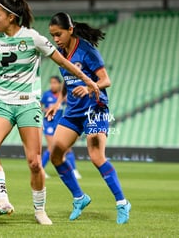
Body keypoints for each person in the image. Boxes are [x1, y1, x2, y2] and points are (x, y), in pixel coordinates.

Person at [0, 0, 99, 225]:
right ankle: (3, 200)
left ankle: (39, 210)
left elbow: (63, 62)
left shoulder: (33, 38)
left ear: (11, 17)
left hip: (28, 104)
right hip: (1, 102)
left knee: (35, 163)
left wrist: (88, 81)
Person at [47, 12, 131, 224]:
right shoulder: (60, 53)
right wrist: (57, 104)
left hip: (95, 108)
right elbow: (67, 81)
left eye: (58, 34)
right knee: (55, 155)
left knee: (96, 156)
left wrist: (87, 86)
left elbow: (106, 80)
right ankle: (79, 198)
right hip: (73, 111)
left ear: (70, 30)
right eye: (52, 35)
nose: (55, 39)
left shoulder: (87, 51)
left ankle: (122, 202)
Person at [41, 75, 81, 179]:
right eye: (51, 83)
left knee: (67, 148)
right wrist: (46, 110)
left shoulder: (62, 95)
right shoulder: (46, 95)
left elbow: (71, 104)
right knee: (51, 148)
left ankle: (74, 170)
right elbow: (39, 106)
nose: (52, 85)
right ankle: (40, 170)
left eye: (55, 83)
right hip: (49, 124)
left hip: (60, 125)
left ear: (60, 84)